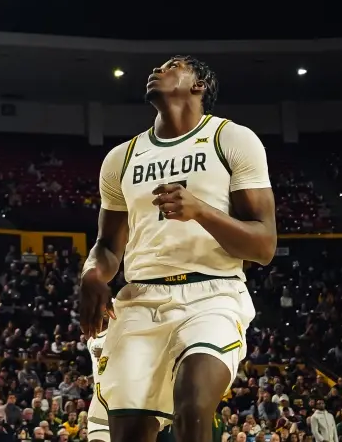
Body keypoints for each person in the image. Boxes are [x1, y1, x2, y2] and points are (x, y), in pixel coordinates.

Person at [79, 56, 276, 442]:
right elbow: (107, 246)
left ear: (198, 85)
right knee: (130, 432)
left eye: (173, 65)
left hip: (213, 293)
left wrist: (201, 211)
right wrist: (92, 274)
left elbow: (264, 246)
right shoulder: (120, 158)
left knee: (193, 402)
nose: (158, 68)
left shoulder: (231, 139)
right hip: (140, 299)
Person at [86, 313, 110, 442]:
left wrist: (106, 353)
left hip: (118, 395)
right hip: (99, 395)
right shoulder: (90, 341)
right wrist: (89, 379)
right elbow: (98, 368)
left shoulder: (119, 334)